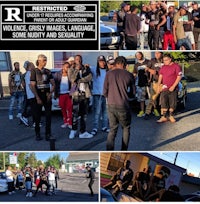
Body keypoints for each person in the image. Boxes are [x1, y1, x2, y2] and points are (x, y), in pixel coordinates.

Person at [103, 56, 135, 150]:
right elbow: (133, 93)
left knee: (112, 129)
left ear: (115, 63)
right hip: (123, 104)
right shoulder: (129, 75)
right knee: (126, 127)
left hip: (111, 104)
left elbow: (104, 91)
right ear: (124, 65)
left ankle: (109, 150)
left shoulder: (109, 74)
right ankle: (123, 149)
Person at [30, 54, 55, 141]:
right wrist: (37, 97)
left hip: (47, 96)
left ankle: (48, 134)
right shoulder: (34, 71)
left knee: (48, 116)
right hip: (38, 96)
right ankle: (37, 134)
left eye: (46, 60)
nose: (45, 62)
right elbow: (32, 85)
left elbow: (53, 84)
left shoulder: (48, 71)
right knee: (37, 117)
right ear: (39, 61)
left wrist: (50, 93)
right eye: (43, 60)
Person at [68, 54, 93, 139]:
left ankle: (83, 132)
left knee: (84, 114)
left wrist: (80, 80)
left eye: (79, 59)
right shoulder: (71, 69)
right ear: (74, 60)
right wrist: (76, 71)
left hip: (85, 93)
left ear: (81, 60)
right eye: (76, 59)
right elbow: (71, 79)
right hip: (75, 94)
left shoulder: (86, 68)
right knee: (75, 114)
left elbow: (89, 77)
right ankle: (73, 130)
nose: (78, 60)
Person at [156, 53, 182, 123]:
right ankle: (163, 117)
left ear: (170, 59)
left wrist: (173, 86)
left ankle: (171, 116)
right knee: (163, 103)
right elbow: (160, 77)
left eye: (166, 60)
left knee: (172, 103)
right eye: (163, 60)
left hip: (173, 89)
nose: (165, 62)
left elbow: (179, 77)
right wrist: (158, 87)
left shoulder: (176, 66)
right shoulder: (163, 67)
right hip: (164, 88)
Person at [90, 55, 109, 136]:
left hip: (106, 94)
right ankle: (95, 128)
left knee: (105, 112)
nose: (102, 63)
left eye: (103, 61)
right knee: (97, 112)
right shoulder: (94, 69)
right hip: (97, 94)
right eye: (100, 61)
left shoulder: (108, 71)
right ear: (98, 62)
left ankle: (105, 126)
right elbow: (86, 68)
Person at [144, 51, 163, 120]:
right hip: (156, 82)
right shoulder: (152, 61)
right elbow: (146, 69)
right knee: (152, 98)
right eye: (155, 53)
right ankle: (147, 113)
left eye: (158, 53)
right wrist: (150, 70)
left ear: (161, 53)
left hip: (165, 82)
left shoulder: (165, 59)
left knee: (163, 98)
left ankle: (163, 113)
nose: (157, 54)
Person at [54, 62, 72, 129]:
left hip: (68, 94)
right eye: (66, 67)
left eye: (68, 67)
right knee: (63, 108)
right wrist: (55, 94)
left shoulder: (70, 75)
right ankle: (65, 122)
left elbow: (74, 84)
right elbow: (55, 85)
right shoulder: (57, 74)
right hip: (61, 94)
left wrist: (72, 92)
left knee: (69, 109)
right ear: (63, 67)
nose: (67, 68)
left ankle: (70, 122)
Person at [133, 52, 151, 118]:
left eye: (139, 54)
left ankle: (153, 110)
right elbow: (134, 73)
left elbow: (151, 71)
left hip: (148, 82)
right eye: (137, 55)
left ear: (142, 55)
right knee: (141, 98)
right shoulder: (136, 65)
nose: (138, 56)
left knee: (151, 97)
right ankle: (142, 111)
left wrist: (150, 79)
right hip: (139, 83)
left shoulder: (148, 62)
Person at [20, 62, 36, 127]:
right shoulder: (27, 74)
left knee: (34, 109)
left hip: (31, 94)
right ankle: (24, 116)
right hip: (31, 94)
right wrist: (35, 94)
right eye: (32, 65)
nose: (34, 66)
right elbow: (28, 85)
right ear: (29, 67)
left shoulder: (31, 73)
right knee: (33, 108)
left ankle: (35, 122)